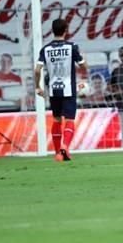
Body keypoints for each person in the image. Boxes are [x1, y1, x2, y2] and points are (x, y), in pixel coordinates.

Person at [34, 18, 88, 162]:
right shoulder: (72, 47)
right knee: (69, 119)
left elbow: (37, 70)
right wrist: (84, 71)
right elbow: (83, 66)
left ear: (52, 30)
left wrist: (37, 87)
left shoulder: (45, 49)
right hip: (68, 89)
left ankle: (58, 152)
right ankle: (65, 147)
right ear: (66, 30)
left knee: (57, 119)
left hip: (53, 90)